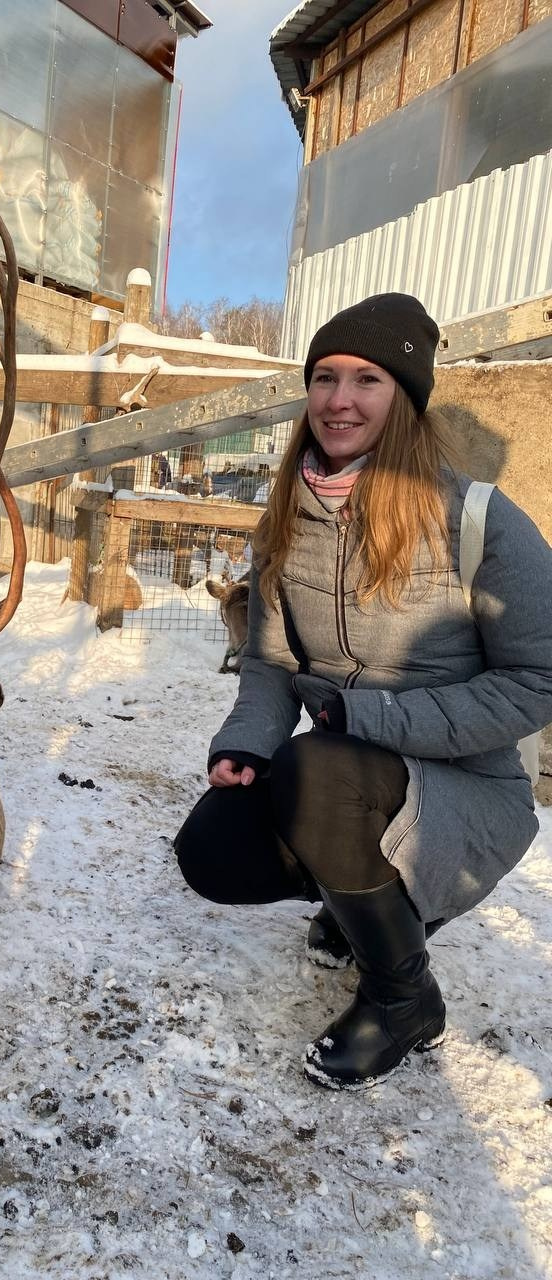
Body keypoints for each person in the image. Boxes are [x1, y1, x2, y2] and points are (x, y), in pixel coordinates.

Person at [174, 293, 552, 1091]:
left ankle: (403, 998)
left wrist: (368, 715)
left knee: (317, 771)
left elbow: (537, 681)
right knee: (211, 851)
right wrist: (245, 742)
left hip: (468, 788)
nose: (339, 400)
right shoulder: (285, 521)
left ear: (404, 398)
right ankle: (362, 909)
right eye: (324, 377)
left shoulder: (478, 520)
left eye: (367, 379)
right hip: (349, 773)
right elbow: (270, 662)